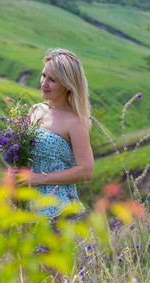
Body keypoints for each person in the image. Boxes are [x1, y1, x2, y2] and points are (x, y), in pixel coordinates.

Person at [16, 48, 94, 218]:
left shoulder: (75, 122)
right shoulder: (35, 110)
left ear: (67, 85)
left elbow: (86, 170)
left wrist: (39, 178)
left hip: (60, 211)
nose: (44, 83)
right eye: (44, 75)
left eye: (52, 80)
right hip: (29, 207)